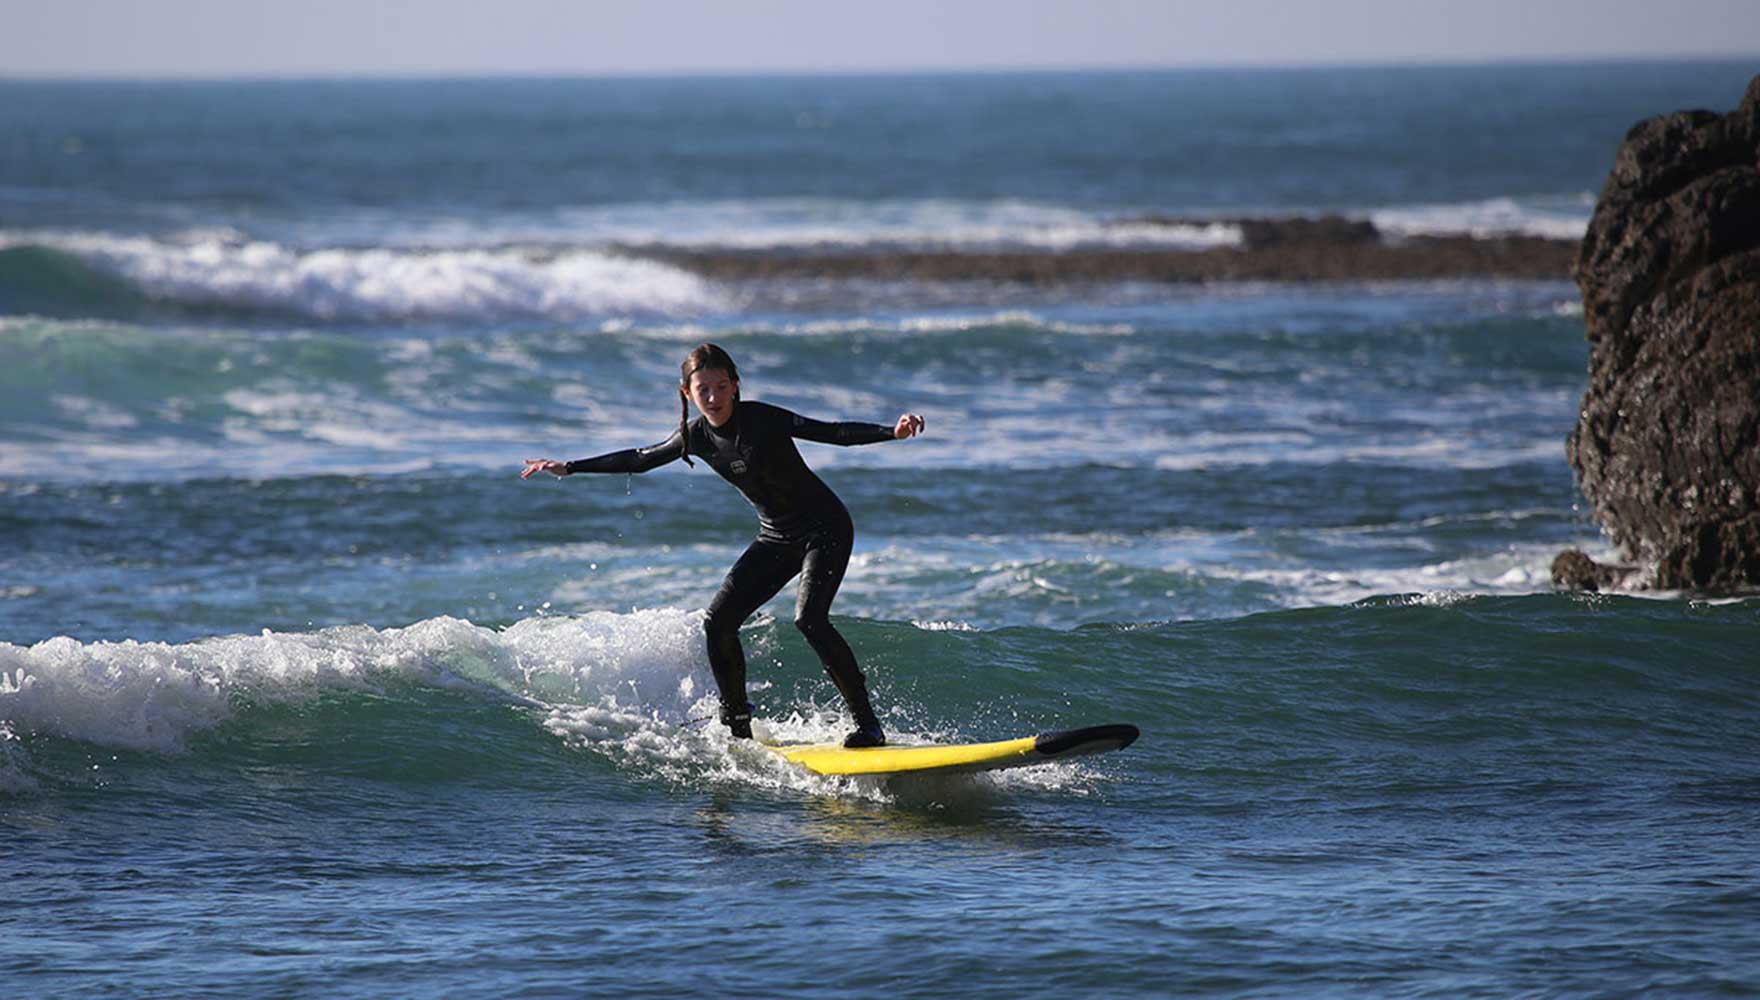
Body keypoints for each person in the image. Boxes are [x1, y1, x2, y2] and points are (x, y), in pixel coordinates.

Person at [522, 343, 925, 748]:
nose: (712, 398)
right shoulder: (695, 436)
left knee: (810, 620)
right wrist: (571, 467)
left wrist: (892, 432)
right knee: (717, 622)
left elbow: (830, 432)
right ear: (687, 393)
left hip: (826, 528)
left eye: (720, 387)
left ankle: (868, 724)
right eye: (702, 390)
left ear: (735, 387)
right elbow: (640, 458)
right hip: (776, 536)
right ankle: (738, 726)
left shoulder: (762, 419)